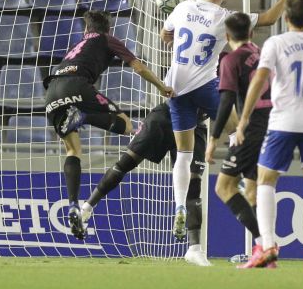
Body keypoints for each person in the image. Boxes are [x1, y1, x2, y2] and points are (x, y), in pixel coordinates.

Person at [161, 0, 301, 242]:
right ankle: (246, 178)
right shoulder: (227, 17)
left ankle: (179, 207)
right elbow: (270, 19)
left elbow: (165, 36)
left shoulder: (182, 7)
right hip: (206, 87)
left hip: (176, 88)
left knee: (184, 153)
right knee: (239, 130)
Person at [235, 0, 303, 269]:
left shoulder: (275, 43)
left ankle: (269, 246)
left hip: (283, 121)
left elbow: (259, 80)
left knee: (266, 180)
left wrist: (244, 118)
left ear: (285, 17)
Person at [45, 10, 172, 241]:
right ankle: (83, 117)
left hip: (51, 91)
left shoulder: (78, 44)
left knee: (73, 150)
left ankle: (73, 205)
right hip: (77, 87)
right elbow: (139, 67)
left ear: (86, 30)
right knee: (126, 124)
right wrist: (161, 86)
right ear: (108, 29)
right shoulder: (108, 39)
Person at [83, 103, 211, 266]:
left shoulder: (221, 85)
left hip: (180, 120)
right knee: (192, 186)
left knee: (126, 163)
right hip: (174, 117)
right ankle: (194, 248)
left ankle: (87, 207)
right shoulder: (215, 84)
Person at [204, 13, 264, 256]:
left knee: (224, 187)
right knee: (252, 191)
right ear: (251, 33)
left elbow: (226, 100)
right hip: (274, 125)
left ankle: (265, 243)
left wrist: (213, 140)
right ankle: (259, 250)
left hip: (251, 127)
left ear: (227, 37)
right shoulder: (260, 53)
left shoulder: (231, 60)